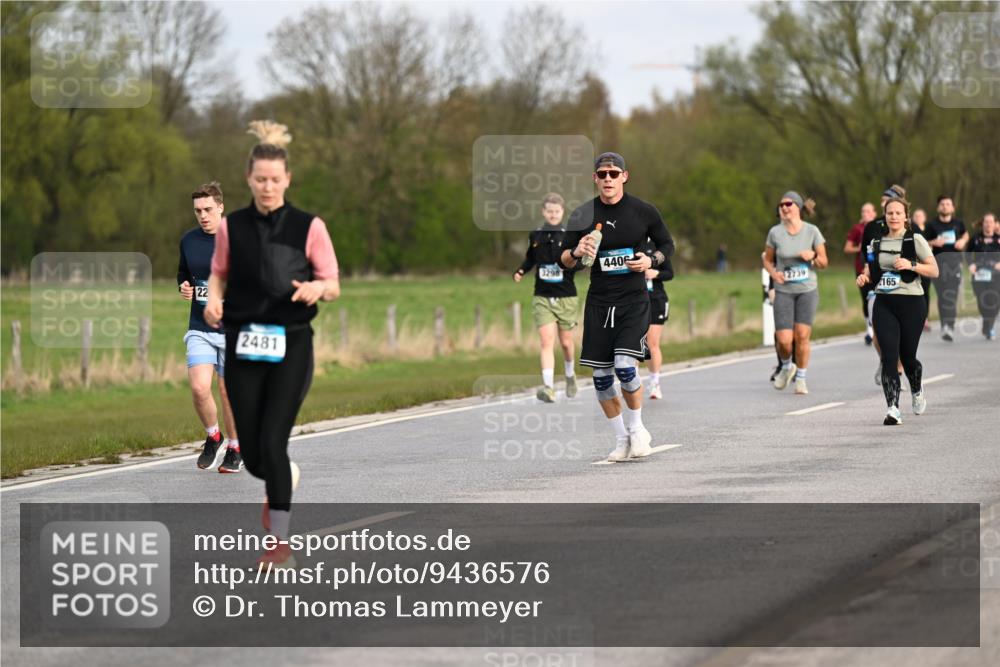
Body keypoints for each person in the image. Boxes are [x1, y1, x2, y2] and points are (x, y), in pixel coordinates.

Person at [204, 120, 340, 568]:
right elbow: (219, 273)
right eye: (260, 179)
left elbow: (333, 282)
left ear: (287, 180)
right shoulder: (232, 228)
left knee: (275, 442)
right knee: (257, 455)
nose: (267, 187)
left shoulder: (309, 226)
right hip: (242, 343)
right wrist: (214, 303)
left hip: (292, 344)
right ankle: (278, 480)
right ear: (248, 178)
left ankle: (279, 540)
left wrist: (317, 290)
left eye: (275, 180)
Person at [559, 152, 675, 462]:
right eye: (602, 174)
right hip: (598, 303)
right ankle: (621, 438)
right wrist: (575, 250)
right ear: (594, 178)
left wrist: (651, 260)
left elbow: (667, 246)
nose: (608, 179)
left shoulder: (643, 211)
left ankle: (637, 430)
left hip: (634, 301)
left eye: (613, 173)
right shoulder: (582, 215)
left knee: (625, 367)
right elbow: (564, 262)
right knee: (601, 377)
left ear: (625, 175)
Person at [178, 181, 242, 473]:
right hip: (200, 326)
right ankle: (213, 435)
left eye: (207, 209)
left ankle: (235, 447)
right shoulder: (188, 241)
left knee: (227, 391)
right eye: (197, 211)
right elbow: (184, 274)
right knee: (199, 388)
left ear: (220, 208)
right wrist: (185, 287)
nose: (202, 215)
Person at [856, 196, 938, 424]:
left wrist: (911, 265)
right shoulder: (876, 242)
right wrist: (865, 277)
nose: (893, 217)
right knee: (889, 357)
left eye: (898, 213)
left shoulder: (915, 239)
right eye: (889, 213)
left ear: (905, 217)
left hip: (912, 303)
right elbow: (870, 270)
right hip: (884, 303)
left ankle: (916, 388)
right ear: (885, 216)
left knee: (908, 358)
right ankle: (892, 408)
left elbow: (934, 270)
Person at [513, 193, 579, 402]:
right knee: (546, 341)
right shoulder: (536, 235)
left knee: (566, 343)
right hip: (542, 296)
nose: (552, 214)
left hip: (566, 296)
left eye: (556, 211)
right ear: (543, 212)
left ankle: (569, 375)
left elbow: (578, 262)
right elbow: (530, 259)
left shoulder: (569, 235)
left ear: (562, 212)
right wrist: (521, 271)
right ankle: (548, 387)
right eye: (549, 211)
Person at [762, 191, 828, 395]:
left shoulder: (812, 231)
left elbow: (824, 262)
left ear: (798, 207)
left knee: (802, 336)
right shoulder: (775, 233)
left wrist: (813, 256)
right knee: (783, 340)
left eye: (788, 204)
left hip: (807, 290)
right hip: (783, 290)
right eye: (781, 205)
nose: (784, 207)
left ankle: (801, 378)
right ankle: (786, 365)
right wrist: (774, 273)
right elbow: (767, 259)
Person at [862, 185, 909, 385]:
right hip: (878, 286)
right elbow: (867, 255)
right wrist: (867, 274)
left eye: (888, 199)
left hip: (905, 287)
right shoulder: (872, 227)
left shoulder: (911, 227)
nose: (884, 203)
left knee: (900, 334)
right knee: (878, 333)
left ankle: (897, 366)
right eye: (882, 200)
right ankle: (886, 360)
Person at [922, 195, 969, 341]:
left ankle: (950, 326)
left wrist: (962, 241)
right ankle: (944, 324)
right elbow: (923, 243)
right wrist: (933, 242)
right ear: (938, 207)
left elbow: (966, 234)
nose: (945, 206)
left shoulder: (958, 223)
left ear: (953, 208)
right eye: (942, 204)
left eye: (948, 204)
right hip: (937, 265)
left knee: (952, 295)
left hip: (954, 264)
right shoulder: (931, 225)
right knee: (942, 296)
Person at [642, 238, 674, 399]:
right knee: (631, 342)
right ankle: (630, 382)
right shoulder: (629, 241)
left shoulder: (657, 246)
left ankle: (655, 383)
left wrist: (656, 273)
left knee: (651, 341)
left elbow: (670, 273)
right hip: (633, 299)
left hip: (656, 299)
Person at [844, 202, 877, 344]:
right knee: (866, 299)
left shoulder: (881, 227)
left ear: (875, 213)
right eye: (863, 211)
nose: (865, 214)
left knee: (877, 298)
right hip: (861, 269)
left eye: (868, 211)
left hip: (878, 269)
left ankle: (878, 327)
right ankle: (869, 329)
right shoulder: (857, 229)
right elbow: (847, 248)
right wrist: (859, 248)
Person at [967, 212, 1000, 340]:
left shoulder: (998, 239)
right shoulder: (975, 239)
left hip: (996, 275)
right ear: (983, 224)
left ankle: (989, 327)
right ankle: (987, 323)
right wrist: (971, 264)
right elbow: (967, 254)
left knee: (993, 301)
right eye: (986, 222)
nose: (988, 224)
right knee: (982, 301)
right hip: (979, 274)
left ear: (995, 224)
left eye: (991, 222)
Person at [912, 208, 932, 331]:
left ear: (924, 217)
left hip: (926, 265)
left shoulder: (929, 231)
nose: (918, 217)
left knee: (925, 292)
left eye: (920, 215)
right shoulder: (911, 230)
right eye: (916, 215)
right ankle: (914, 317)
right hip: (913, 265)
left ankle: (925, 318)